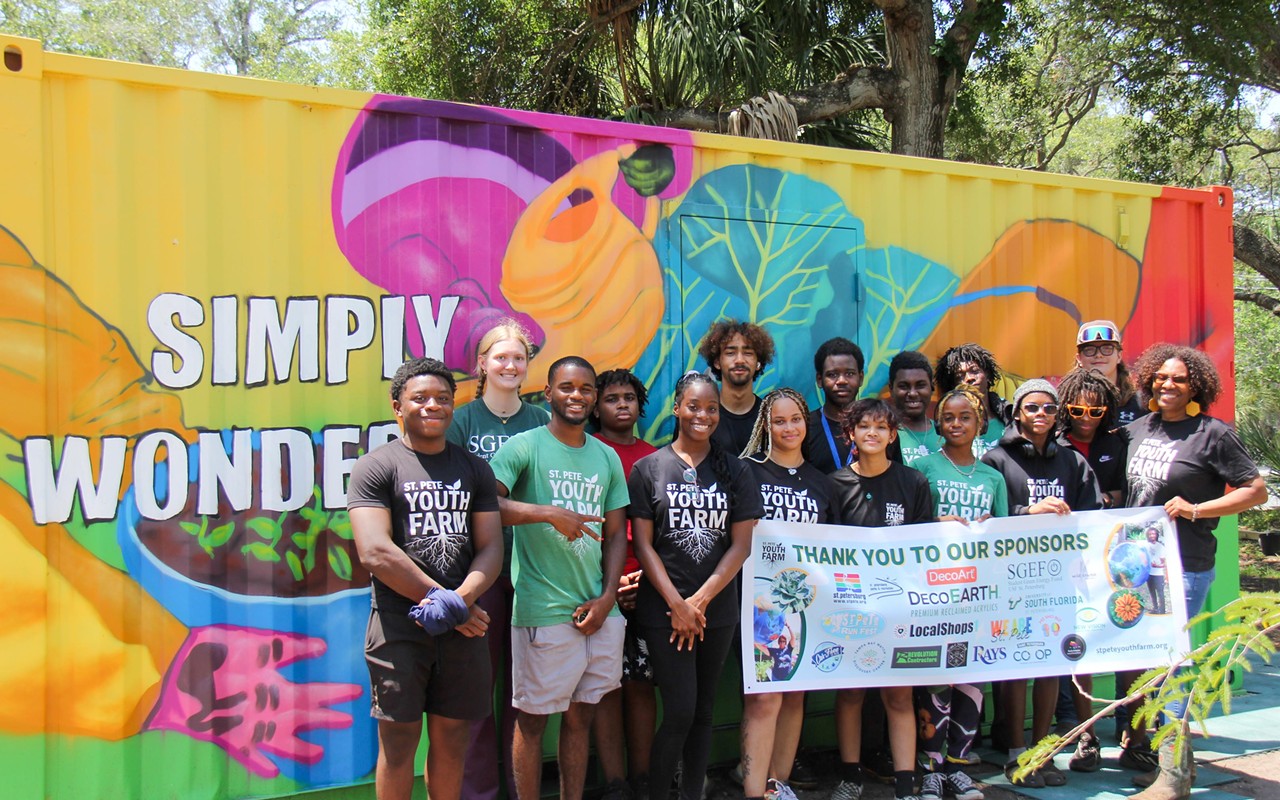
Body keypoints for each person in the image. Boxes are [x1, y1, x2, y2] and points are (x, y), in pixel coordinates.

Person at [348, 357, 504, 800]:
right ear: (398, 407)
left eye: (442, 398)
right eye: (419, 398)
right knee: (398, 746)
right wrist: (449, 605)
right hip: (400, 627)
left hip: (463, 628)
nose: (432, 405)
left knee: (454, 741)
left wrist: (462, 599)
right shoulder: (375, 467)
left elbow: (491, 546)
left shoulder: (475, 469)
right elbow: (375, 551)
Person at [1123, 343, 1266, 799]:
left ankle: (1174, 776)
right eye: (1161, 378)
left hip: (1184, 568)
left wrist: (1198, 508)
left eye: (1179, 379)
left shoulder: (1212, 434)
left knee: (1172, 667)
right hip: (1137, 568)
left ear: (1196, 386)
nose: (1168, 385)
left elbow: (1256, 491)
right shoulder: (1137, 430)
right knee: (1148, 666)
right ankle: (1169, 761)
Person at [488, 356, 631, 800]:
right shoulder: (524, 446)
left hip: (597, 613)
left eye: (586, 388)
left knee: (581, 718)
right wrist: (547, 513)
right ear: (547, 393)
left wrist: (608, 598)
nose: (577, 396)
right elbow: (485, 506)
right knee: (531, 723)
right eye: (566, 387)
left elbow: (616, 536)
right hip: (544, 611)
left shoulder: (606, 455)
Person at [628, 372, 764, 800]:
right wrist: (677, 603)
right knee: (680, 711)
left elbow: (741, 545)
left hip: (717, 611)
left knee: (703, 712)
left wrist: (701, 600)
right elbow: (645, 546)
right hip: (662, 612)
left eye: (711, 408)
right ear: (677, 408)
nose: (702, 415)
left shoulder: (735, 470)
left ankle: (692, 793)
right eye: (693, 406)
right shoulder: (648, 468)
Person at [981, 379, 1102, 789]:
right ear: (1017, 413)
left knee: (1052, 665)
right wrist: (1028, 511)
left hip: (1059, 579)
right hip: (1010, 579)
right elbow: (986, 515)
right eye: (1032, 407)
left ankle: (1044, 751)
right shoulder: (995, 459)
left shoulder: (1072, 461)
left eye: (1049, 409)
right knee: (1016, 665)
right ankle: (1016, 753)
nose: (1041, 415)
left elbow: (1093, 515)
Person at [448, 320, 550, 800]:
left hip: (532, 572)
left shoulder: (541, 422)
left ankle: (518, 789)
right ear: (482, 364)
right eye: (501, 357)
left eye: (519, 359)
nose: (510, 366)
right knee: (475, 693)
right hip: (478, 571)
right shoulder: (461, 421)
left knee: (523, 693)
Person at [829, 399, 935, 800]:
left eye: (880, 428)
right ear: (850, 434)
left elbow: (924, 545)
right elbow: (823, 549)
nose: (871, 434)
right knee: (851, 691)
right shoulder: (834, 484)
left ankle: (906, 783)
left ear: (893, 436)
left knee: (898, 693)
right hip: (850, 609)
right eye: (864, 427)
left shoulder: (913, 482)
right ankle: (850, 775)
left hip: (901, 609)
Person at [739, 388, 837, 800]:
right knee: (764, 698)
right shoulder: (747, 472)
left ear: (806, 423)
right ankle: (753, 789)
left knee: (795, 693)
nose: (788, 427)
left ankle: (778, 786)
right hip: (756, 605)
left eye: (795, 419)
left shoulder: (822, 483)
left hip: (806, 608)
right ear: (766, 425)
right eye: (779, 421)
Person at [908, 384, 1003, 800]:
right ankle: (930, 766)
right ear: (938, 424)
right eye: (949, 417)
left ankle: (959, 765)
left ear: (979, 424)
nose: (957, 424)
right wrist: (935, 520)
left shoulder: (993, 477)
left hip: (977, 593)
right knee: (935, 677)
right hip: (932, 592)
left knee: (969, 676)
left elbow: (1004, 539)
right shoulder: (925, 468)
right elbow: (911, 527)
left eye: (966, 417)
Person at [1051, 367, 1129, 771]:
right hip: (1068, 561)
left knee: (1128, 641)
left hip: (1113, 557)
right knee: (1079, 645)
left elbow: (1134, 493)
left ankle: (1134, 730)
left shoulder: (1120, 443)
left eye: (1095, 411)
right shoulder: (1056, 445)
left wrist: (1109, 497)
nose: (1085, 416)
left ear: (1108, 412)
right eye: (1077, 408)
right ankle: (1086, 735)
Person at [590, 369, 659, 800]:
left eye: (629, 397)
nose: (621, 404)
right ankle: (614, 784)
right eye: (611, 397)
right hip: (596, 588)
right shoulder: (586, 451)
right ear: (596, 406)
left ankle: (644, 780)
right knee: (604, 687)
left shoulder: (655, 457)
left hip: (647, 588)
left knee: (641, 683)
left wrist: (643, 582)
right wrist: (609, 587)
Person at [698, 319, 776, 455]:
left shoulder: (771, 418)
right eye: (730, 353)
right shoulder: (701, 418)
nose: (739, 359)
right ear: (717, 362)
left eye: (748, 353)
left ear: (758, 362)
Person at [935, 344, 1010, 457]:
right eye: (960, 376)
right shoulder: (947, 424)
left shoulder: (1009, 417)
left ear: (988, 374)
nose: (969, 378)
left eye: (974, 371)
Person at [806, 337, 865, 474]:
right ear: (819, 380)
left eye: (849, 374)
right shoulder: (804, 429)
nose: (842, 381)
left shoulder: (878, 429)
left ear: (861, 378)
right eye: (832, 374)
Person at [1074, 320, 1144, 425]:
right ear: (1079, 358)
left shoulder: (1140, 404)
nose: (1098, 355)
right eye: (1089, 350)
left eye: (1107, 349)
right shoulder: (1067, 402)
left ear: (1119, 356)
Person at [889, 350, 942, 466]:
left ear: (932, 387)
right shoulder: (884, 434)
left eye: (920, 385)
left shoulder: (946, 434)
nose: (912, 393)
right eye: (904, 386)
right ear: (891, 389)